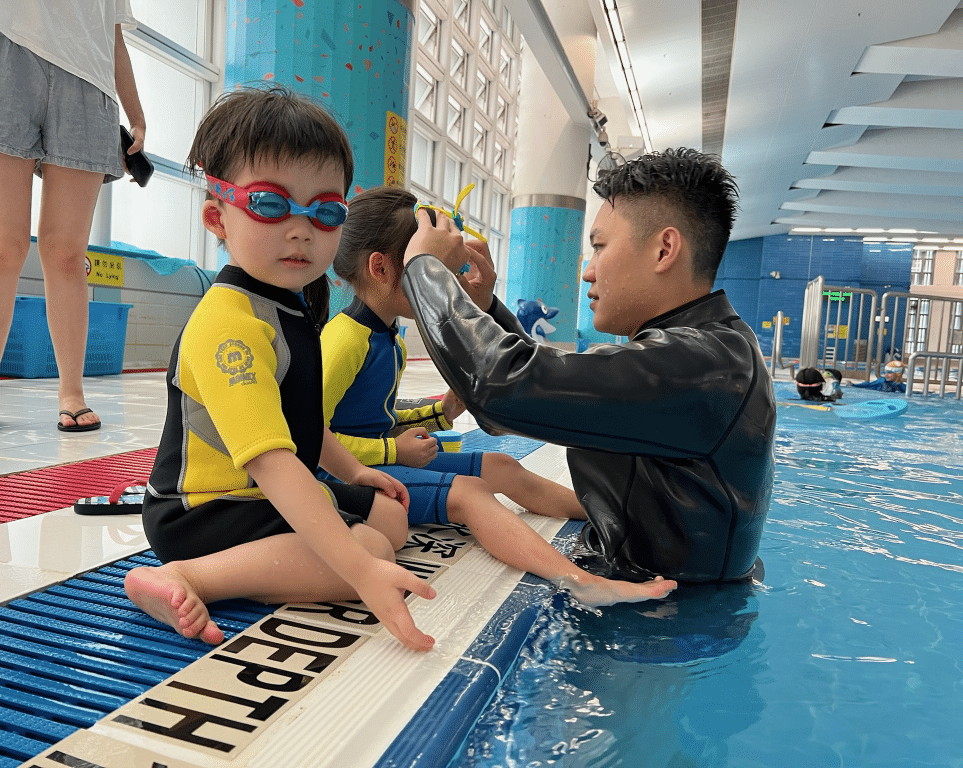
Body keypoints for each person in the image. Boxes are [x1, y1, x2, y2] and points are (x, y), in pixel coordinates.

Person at [123, 86, 436, 652]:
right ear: (217, 217)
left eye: (325, 211)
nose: (301, 229)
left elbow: (300, 424)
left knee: (389, 520)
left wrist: (351, 471)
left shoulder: (286, 307)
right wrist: (360, 571)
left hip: (256, 495)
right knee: (370, 552)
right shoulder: (229, 324)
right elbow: (270, 459)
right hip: (203, 511)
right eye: (270, 204)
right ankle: (187, 577)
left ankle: (282, 559)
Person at [399, 147, 776, 584]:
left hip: (661, 610)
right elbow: (540, 394)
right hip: (670, 587)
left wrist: (422, 268)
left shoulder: (703, 366)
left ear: (664, 249)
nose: (587, 272)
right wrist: (485, 308)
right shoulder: (712, 350)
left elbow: (502, 389)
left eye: (599, 247)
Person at [322, 186, 676, 606]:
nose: (445, 281)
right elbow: (307, 437)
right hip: (344, 475)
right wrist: (392, 451)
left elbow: (372, 415)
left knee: (501, 465)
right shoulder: (344, 340)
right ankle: (580, 581)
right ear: (380, 268)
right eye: (424, 264)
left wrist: (439, 411)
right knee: (470, 493)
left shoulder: (387, 338)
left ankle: (619, 516)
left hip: (377, 458)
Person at [0, 0, 146, 433]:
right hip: (3, 49)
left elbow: (112, 34)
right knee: (0, 247)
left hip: (89, 78)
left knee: (67, 254)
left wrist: (136, 115)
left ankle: (72, 393)